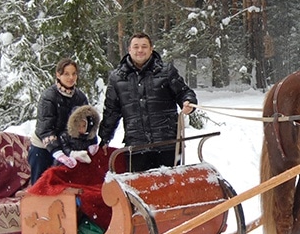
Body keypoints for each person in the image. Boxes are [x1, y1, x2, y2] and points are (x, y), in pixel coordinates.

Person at [98, 32, 197, 172]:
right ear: (129, 50)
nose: (140, 50)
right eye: (136, 46)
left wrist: (188, 102)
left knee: (170, 188)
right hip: (136, 146)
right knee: (140, 189)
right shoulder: (117, 78)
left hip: (167, 143)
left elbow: (184, 92)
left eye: (144, 46)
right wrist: (104, 138)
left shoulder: (166, 71)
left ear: (151, 49)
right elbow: (111, 111)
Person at [28, 58, 97, 184]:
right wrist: (57, 152)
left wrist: (92, 141)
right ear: (58, 75)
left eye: (74, 73)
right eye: (66, 74)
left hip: (67, 145)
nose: (71, 77)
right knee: (40, 184)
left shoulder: (80, 97)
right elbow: (45, 128)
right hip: (43, 145)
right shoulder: (49, 96)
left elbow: (87, 123)